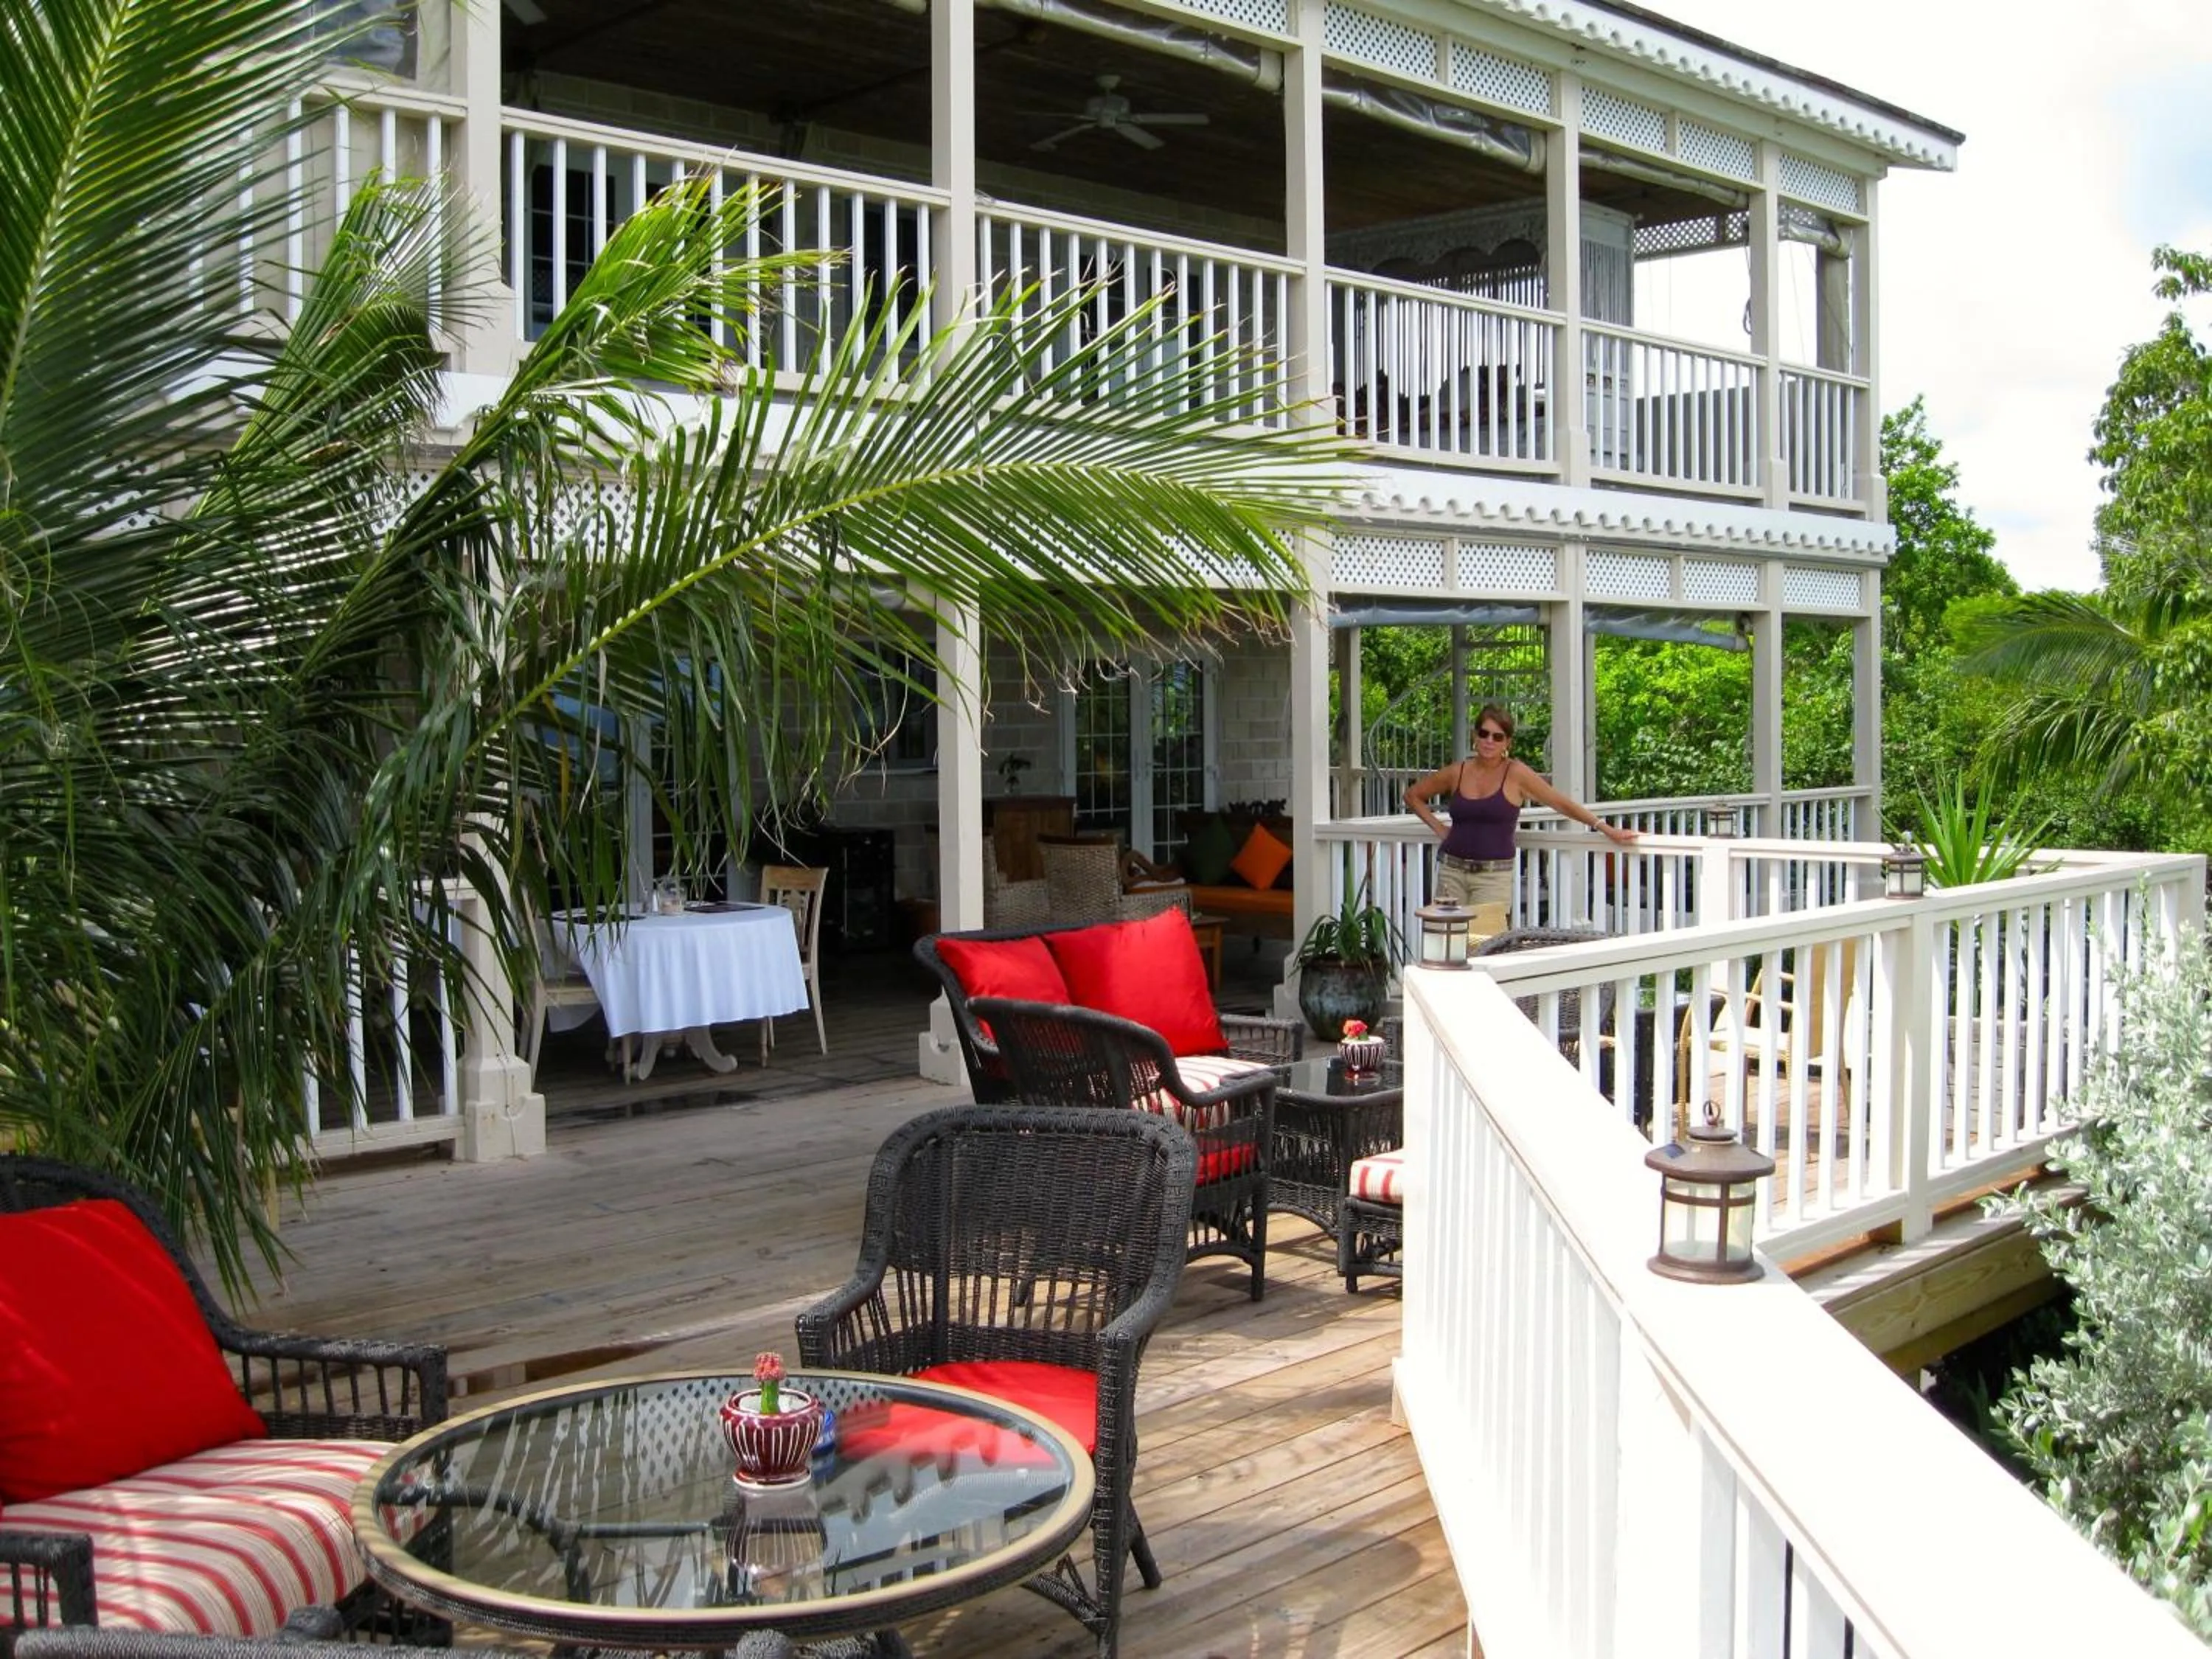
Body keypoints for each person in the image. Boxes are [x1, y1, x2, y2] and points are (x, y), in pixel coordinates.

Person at [1401, 703, 1638, 910]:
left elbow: (1561, 803)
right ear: (1475, 735)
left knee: (1483, 949)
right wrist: (1441, 829)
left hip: (1493, 877)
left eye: (1498, 736)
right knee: (1446, 947)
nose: (1489, 741)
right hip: (1451, 872)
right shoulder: (1458, 771)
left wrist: (1605, 828)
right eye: (1484, 734)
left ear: (1508, 742)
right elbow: (1413, 796)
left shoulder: (1516, 773)